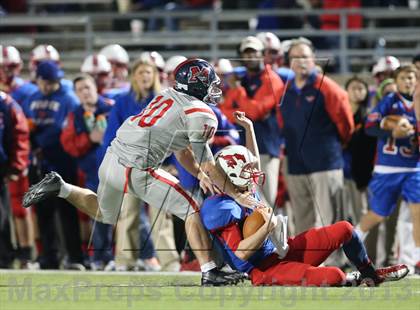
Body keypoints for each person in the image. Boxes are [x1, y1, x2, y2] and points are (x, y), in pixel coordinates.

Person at [23, 58, 261, 285]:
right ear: (197, 84)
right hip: (136, 165)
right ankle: (211, 272)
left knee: (105, 214)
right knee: (191, 208)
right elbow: (209, 163)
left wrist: (198, 174)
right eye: (209, 83)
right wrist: (237, 194)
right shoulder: (201, 113)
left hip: (112, 158)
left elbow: (182, 151)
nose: (213, 88)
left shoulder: (167, 95)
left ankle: (61, 187)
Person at [200, 111, 409, 286]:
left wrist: (249, 128)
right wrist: (267, 227)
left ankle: (370, 273)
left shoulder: (243, 187)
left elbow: (254, 161)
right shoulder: (222, 207)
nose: (254, 173)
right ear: (233, 175)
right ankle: (351, 279)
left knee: (345, 229)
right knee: (334, 275)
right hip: (263, 269)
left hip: (285, 250)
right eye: (246, 171)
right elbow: (241, 255)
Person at [277, 38, 354, 234]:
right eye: (295, 57)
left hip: (325, 162)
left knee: (331, 219)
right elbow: (282, 124)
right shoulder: (284, 90)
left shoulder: (327, 87)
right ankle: (306, 262)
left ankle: (336, 262)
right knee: (302, 219)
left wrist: (336, 146)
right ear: (289, 62)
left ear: (313, 59)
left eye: (305, 56)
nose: (300, 61)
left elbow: (346, 124)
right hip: (295, 164)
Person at [358, 65, 420, 274]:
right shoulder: (390, 101)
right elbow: (369, 127)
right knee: (377, 214)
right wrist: (392, 130)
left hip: (413, 166)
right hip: (388, 167)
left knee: (417, 211)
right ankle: (352, 239)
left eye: (411, 77)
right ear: (397, 80)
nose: (408, 81)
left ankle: (415, 260)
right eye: (403, 78)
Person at [22, 61, 84, 270]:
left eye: (53, 81)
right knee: (43, 211)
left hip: (61, 161)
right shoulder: (32, 98)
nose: (50, 86)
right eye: (46, 82)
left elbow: (63, 129)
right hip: (39, 162)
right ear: (38, 80)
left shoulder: (68, 98)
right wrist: (32, 143)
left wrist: (38, 141)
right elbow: (24, 125)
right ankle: (49, 257)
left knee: (66, 210)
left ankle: (75, 257)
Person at [220, 36, 284, 209]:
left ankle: (276, 237)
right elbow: (223, 112)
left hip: (265, 148)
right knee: (248, 202)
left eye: (254, 52)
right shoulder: (241, 77)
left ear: (262, 54)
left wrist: (238, 92)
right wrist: (240, 110)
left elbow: (254, 113)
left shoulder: (272, 79)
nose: (250, 57)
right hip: (242, 150)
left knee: (267, 202)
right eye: (246, 53)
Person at [60, 74, 115, 270]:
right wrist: (89, 139)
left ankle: (118, 257)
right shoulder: (74, 114)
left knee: (124, 213)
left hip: (117, 169)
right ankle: (102, 257)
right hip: (92, 173)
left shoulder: (111, 106)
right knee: (97, 214)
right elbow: (69, 145)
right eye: (80, 89)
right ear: (76, 94)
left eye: (87, 87)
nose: (85, 92)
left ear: (95, 87)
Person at [0, 91, 30, 268]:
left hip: (1, 165)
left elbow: (21, 133)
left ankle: (5, 257)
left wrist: (16, 165)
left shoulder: (6, 103)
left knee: (2, 214)